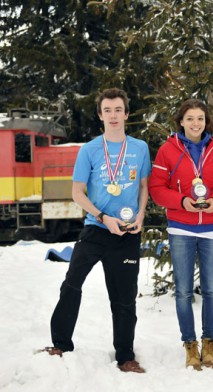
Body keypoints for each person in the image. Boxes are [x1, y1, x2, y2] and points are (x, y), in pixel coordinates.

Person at [42, 88, 151, 373]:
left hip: (127, 231)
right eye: (107, 110)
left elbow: (143, 187)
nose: (113, 115)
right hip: (96, 228)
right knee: (72, 283)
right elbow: (77, 193)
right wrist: (103, 217)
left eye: (118, 110)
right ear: (100, 115)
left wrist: (141, 214)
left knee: (125, 298)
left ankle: (125, 356)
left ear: (126, 114)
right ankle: (61, 344)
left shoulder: (139, 148)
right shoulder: (89, 149)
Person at [148, 99, 213, 370]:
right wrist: (181, 201)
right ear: (181, 121)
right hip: (181, 227)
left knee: (211, 291)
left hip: (212, 227)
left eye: (201, 118)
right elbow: (157, 188)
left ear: (207, 122)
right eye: (191, 118)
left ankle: (209, 344)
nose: (196, 123)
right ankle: (190, 345)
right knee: (183, 291)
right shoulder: (167, 151)